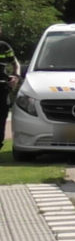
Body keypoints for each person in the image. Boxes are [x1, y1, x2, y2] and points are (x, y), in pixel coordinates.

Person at [0, 24, 22, 152]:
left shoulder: (4, 46)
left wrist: (16, 77)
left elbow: (15, 63)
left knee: (1, 118)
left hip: (2, 87)